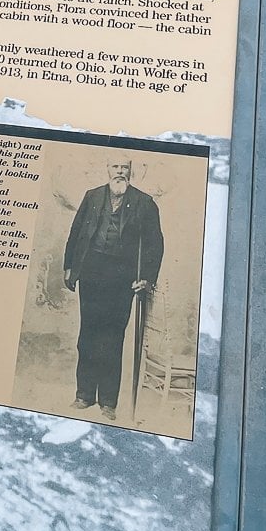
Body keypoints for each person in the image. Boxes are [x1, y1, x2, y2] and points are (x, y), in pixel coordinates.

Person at [62, 157, 163, 421]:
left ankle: (108, 402)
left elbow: (155, 243)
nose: (120, 172)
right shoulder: (92, 196)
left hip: (122, 278)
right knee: (88, 334)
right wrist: (69, 267)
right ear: (107, 170)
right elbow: (76, 232)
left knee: (113, 337)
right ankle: (84, 395)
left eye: (124, 169)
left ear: (131, 172)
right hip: (92, 271)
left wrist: (147, 278)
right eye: (115, 168)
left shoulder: (144, 202)